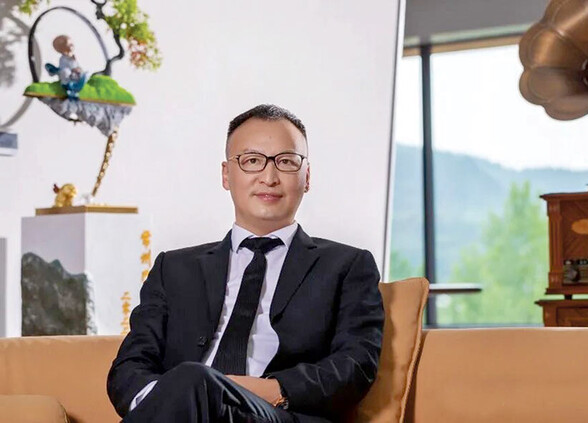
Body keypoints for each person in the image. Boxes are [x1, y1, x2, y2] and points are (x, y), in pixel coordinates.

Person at [107, 104, 384, 423]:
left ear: (306, 177)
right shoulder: (173, 269)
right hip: (187, 406)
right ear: (226, 175)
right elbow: (129, 367)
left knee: (196, 381)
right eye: (252, 161)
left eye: (286, 162)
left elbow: (356, 365)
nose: (269, 177)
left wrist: (267, 390)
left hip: (279, 414)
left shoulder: (347, 266)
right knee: (193, 384)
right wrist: (172, 399)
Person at [45, 35, 87, 100]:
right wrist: (74, 69)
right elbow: (67, 67)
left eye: (72, 44)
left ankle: (76, 88)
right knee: (65, 72)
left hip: (75, 75)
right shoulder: (63, 59)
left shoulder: (72, 57)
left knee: (85, 74)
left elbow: (76, 65)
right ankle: (70, 89)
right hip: (69, 76)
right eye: (69, 44)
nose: (72, 46)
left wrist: (78, 69)